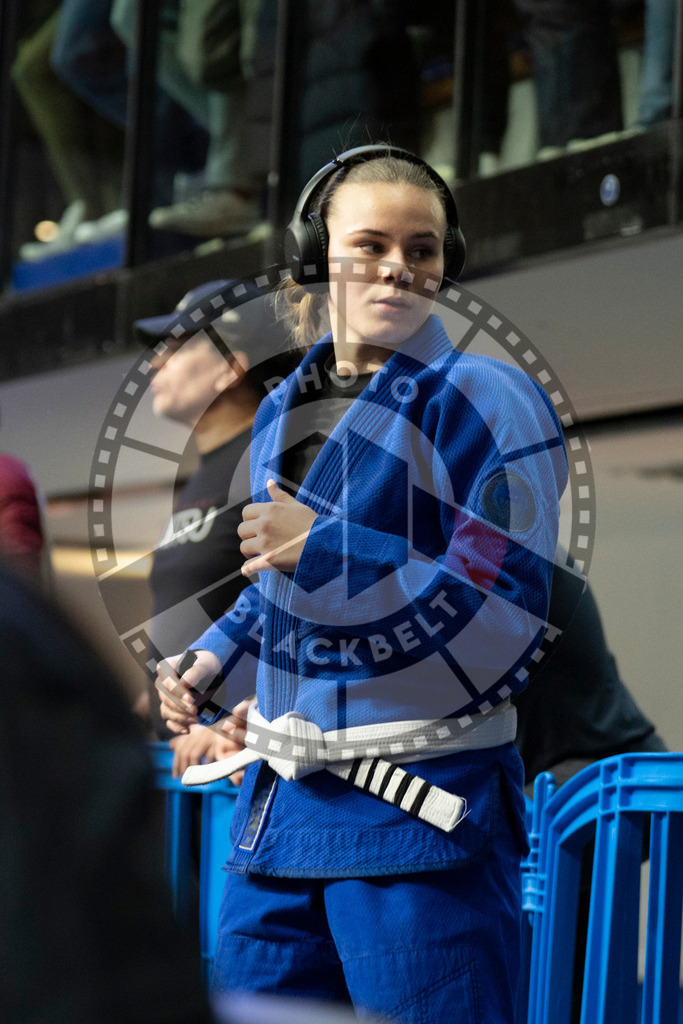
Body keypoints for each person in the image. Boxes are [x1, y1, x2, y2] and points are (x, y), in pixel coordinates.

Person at [156, 144, 568, 1021]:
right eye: (370, 245)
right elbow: (278, 589)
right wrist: (206, 661)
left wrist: (332, 548)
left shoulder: (487, 397)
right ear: (318, 261)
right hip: (276, 823)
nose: (398, 267)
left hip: (421, 824)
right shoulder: (280, 411)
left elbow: (506, 623)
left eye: (422, 249)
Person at [133, 278, 299, 777]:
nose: (155, 362)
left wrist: (237, 717)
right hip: (186, 760)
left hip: (232, 760)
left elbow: (286, 600)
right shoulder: (206, 473)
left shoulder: (269, 463)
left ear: (231, 367)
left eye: (178, 346)